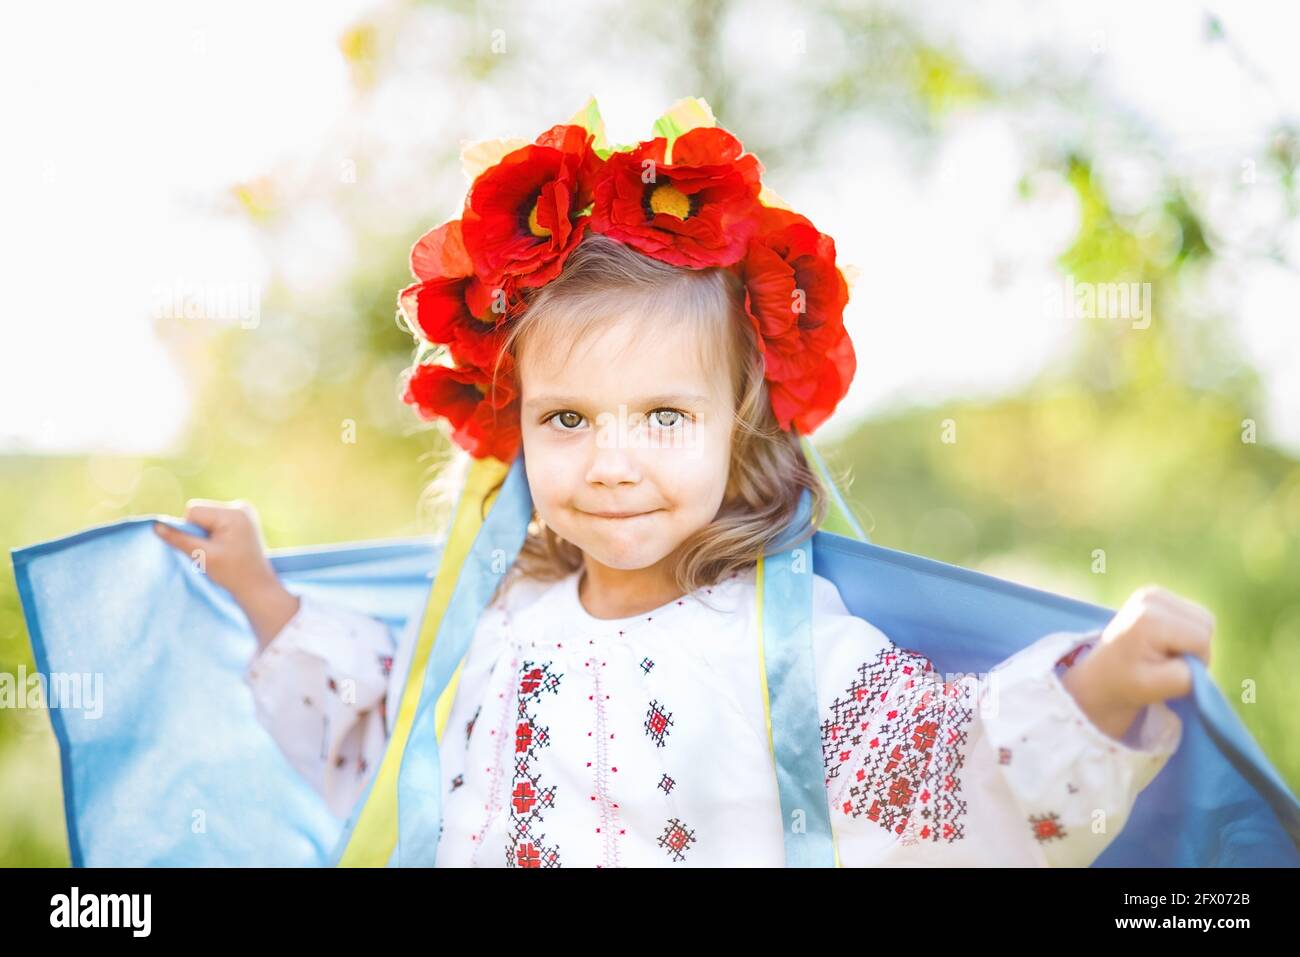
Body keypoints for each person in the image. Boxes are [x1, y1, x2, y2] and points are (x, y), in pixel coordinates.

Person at [153, 102, 1214, 867]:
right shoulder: (491, 630)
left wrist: (1099, 686)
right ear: (514, 426)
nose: (613, 460)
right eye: (568, 418)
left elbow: (946, 772)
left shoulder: (784, 648)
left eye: (665, 416)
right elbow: (386, 752)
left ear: (736, 426)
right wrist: (257, 592)